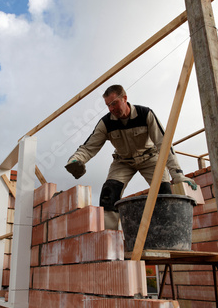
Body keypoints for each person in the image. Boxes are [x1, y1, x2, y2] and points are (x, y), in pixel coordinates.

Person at [65, 84, 196, 230]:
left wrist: (177, 174)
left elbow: (163, 143)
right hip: (123, 162)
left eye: (114, 103)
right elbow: (89, 147)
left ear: (125, 98)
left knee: (164, 193)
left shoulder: (145, 114)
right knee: (108, 194)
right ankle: (111, 238)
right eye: (108, 105)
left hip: (149, 158)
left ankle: (166, 234)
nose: (111, 109)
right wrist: (76, 159)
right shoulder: (106, 123)